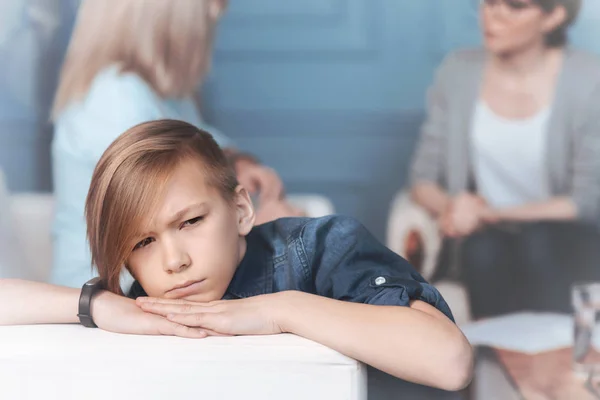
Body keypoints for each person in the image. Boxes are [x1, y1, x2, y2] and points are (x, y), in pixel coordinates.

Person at [0, 120, 473, 391]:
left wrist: (278, 310)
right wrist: (99, 304)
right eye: (142, 243)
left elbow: (449, 362)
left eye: (190, 222)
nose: (173, 261)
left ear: (242, 209)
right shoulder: (148, 300)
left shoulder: (322, 248)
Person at [50, 0, 301, 289]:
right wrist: (265, 229)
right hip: (115, 291)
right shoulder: (116, 99)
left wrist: (239, 161)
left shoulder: (164, 94)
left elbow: (197, 143)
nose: (213, 20)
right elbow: (155, 217)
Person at [409, 0, 600, 317]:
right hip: (483, 238)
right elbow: (422, 180)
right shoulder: (458, 70)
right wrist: (454, 207)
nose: (492, 15)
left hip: (562, 237)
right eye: (489, 2)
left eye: (514, 6)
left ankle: (551, 358)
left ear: (554, 16)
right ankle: (493, 360)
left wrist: (490, 213)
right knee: (483, 250)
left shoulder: (589, 78)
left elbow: (586, 201)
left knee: (537, 244)